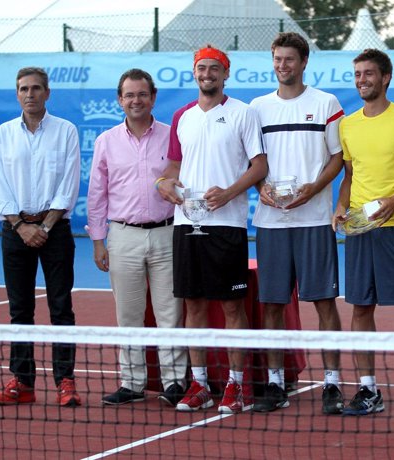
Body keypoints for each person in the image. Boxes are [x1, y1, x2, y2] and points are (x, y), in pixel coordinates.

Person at [156, 45, 267, 414]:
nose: (207, 74)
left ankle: (239, 385)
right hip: (187, 223)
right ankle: (200, 384)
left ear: (225, 73)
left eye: (214, 68)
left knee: (233, 305)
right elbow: (173, 168)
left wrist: (231, 192)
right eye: (201, 68)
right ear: (194, 72)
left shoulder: (243, 113)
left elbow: (259, 166)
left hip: (227, 225)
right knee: (193, 304)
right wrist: (165, 184)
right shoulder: (181, 117)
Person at [333, 49, 394, 420]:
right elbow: (350, 177)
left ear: (386, 77)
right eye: (357, 74)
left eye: (369, 73)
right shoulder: (347, 125)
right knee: (360, 308)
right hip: (360, 230)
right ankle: (368, 388)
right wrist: (340, 207)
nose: (362, 80)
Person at [250, 32, 345, 414]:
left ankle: (333, 384)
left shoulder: (326, 103)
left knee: (323, 301)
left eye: (289, 59)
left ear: (304, 62)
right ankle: (275, 384)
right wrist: (262, 188)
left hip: (315, 219)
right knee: (272, 304)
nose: (282, 66)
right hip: (271, 223)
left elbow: (337, 159)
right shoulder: (256, 108)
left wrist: (311, 190)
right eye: (277, 59)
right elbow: (252, 162)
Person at [87, 69, 188, 407]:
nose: (136, 100)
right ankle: (132, 383)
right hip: (123, 237)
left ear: (153, 98)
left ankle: (175, 383)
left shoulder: (173, 136)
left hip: (166, 233)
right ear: (119, 100)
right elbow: (97, 194)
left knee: (169, 314)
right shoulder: (106, 141)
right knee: (128, 315)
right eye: (129, 95)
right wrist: (98, 240)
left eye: (142, 94)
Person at [0, 67, 81, 407]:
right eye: (24, 89)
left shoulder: (66, 131)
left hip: (55, 231)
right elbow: (0, 186)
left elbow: (68, 186)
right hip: (15, 232)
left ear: (47, 92)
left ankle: (65, 381)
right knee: (20, 310)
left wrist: (44, 227)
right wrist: (21, 226)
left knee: (61, 308)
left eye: (36, 88)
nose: (30, 94)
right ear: (17, 94)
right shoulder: (3, 135)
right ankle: (23, 382)